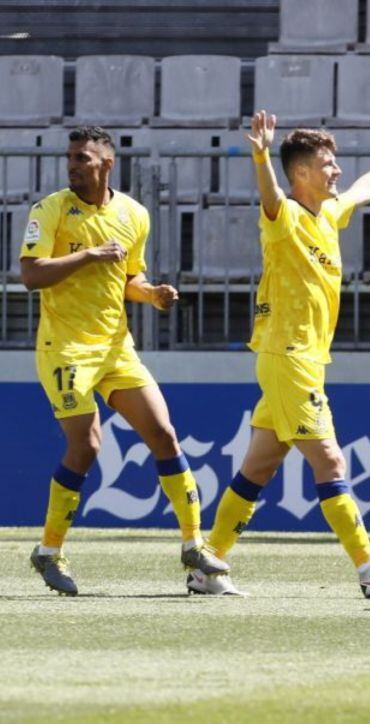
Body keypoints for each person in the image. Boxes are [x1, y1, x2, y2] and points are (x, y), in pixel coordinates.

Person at [189, 111, 370, 598]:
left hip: (300, 360)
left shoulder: (329, 214)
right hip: (289, 356)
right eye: (327, 163)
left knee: (258, 468)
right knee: (330, 461)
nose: (336, 170)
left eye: (334, 162)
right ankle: (368, 568)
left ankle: (207, 566)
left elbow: (364, 189)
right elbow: (271, 199)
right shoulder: (286, 219)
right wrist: (260, 157)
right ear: (300, 172)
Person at [21, 126, 229, 596]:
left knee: (163, 434)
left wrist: (151, 294)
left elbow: (127, 278)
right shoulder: (50, 210)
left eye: (83, 158)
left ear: (107, 164)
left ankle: (193, 544)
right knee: (87, 446)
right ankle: (49, 550)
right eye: (71, 157)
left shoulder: (134, 214)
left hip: (116, 348)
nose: (73, 165)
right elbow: (31, 275)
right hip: (66, 348)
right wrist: (89, 255)